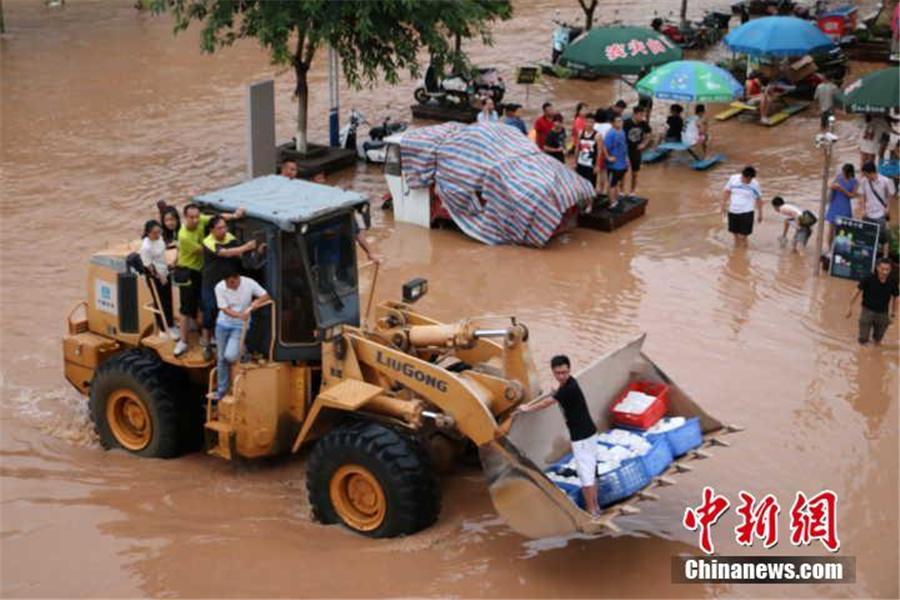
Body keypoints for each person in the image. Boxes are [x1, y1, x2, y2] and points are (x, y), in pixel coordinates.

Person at [518, 355, 600, 516]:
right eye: (558, 373)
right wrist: (556, 391)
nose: (561, 376)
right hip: (590, 432)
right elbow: (558, 395)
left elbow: (547, 403)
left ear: (570, 370)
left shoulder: (569, 388)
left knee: (585, 476)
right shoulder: (570, 384)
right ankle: (596, 507)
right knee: (592, 470)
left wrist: (527, 408)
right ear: (553, 373)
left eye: (564, 372)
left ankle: (591, 511)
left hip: (582, 437)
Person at [173, 203, 243, 357]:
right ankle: (183, 341)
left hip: (203, 271)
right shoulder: (183, 235)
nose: (196, 220)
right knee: (186, 308)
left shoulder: (202, 220)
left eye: (197, 216)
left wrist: (235, 216)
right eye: (191, 217)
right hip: (189, 271)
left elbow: (216, 218)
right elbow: (204, 249)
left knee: (206, 306)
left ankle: (207, 339)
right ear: (185, 218)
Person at [200, 214, 262, 361]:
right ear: (212, 230)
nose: (224, 230)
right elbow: (226, 253)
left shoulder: (230, 237)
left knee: (235, 312)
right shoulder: (208, 242)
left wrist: (256, 252)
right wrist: (246, 246)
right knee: (209, 314)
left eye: (225, 227)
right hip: (212, 284)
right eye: (220, 228)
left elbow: (240, 255)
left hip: (231, 284)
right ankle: (207, 345)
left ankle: (237, 346)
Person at [213, 270, 271, 400]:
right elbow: (224, 309)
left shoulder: (249, 283)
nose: (229, 286)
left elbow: (266, 295)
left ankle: (243, 352)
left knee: (230, 356)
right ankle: (222, 390)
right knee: (221, 357)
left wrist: (257, 302)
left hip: (239, 327)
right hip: (222, 325)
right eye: (227, 283)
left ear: (238, 277)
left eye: (232, 282)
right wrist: (241, 315)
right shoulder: (219, 286)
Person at [846, 258, 898, 345]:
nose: (885, 272)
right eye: (882, 269)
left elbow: (896, 297)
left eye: (887, 269)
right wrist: (849, 306)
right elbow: (856, 291)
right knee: (863, 340)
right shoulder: (868, 278)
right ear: (877, 268)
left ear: (890, 269)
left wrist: (893, 314)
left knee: (877, 341)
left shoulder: (893, 281)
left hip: (883, 314)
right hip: (867, 311)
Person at [139, 220, 177, 337]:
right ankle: (163, 329)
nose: (157, 235)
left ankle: (170, 324)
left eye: (159, 232)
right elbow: (149, 266)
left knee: (168, 299)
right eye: (154, 233)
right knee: (160, 301)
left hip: (164, 271)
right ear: (148, 233)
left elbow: (162, 252)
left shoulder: (159, 238)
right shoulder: (146, 247)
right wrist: (160, 277)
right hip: (155, 277)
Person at [857, 161, 896, 257]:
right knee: (867, 235)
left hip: (880, 213)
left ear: (870, 172)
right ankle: (868, 257)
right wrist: (862, 209)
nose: (864, 176)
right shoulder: (864, 181)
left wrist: (888, 207)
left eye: (865, 174)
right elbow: (861, 194)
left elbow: (891, 194)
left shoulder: (885, 181)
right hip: (868, 213)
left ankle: (885, 257)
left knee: (883, 237)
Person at [722, 166, 763, 247]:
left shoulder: (754, 184)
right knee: (735, 233)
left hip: (747, 211)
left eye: (750, 179)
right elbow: (727, 191)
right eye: (747, 179)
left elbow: (759, 199)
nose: (749, 181)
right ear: (742, 176)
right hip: (733, 210)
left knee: (743, 236)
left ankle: (744, 251)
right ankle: (738, 253)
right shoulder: (733, 179)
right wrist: (723, 205)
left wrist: (760, 214)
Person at [825, 163, 858, 251]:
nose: (843, 174)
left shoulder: (854, 181)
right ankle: (829, 249)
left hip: (845, 207)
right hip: (834, 205)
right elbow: (829, 185)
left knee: (844, 230)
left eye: (845, 173)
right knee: (831, 229)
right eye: (843, 172)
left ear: (850, 173)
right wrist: (833, 186)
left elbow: (852, 195)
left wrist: (843, 190)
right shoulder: (838, 177)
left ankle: (841, 249)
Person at [623, 105, 651, 199]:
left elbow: (648, 134)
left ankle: (632, 192)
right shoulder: (626, 123)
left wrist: (644, 144)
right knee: (623, 172)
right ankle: (621, 191)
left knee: (635, 173)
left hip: (636, 151)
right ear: (634, 114)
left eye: (643, 115)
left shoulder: (643, 124)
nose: (642, 117)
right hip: (625, 150)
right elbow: (621, 137)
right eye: (640, 115)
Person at [604, 115, 629, 209]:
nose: (620, 123)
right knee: (612, 183)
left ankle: (615, 199)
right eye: (617, 121)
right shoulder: (611, 133)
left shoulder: (622, 131)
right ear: (613, 123)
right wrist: (608, 157)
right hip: (613, 164)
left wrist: (626, 158)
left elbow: (624, 145)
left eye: (621, 121)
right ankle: (612, 202)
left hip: (621, 162)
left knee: (617, 182)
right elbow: (604, 147)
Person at [574, 111, 600, 190]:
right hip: (581, 163)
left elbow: (599, 151)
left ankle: (590, 202)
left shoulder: (597, 136)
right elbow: (577, 148)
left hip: (590, 165)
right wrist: (575, 162)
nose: (589, 124)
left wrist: (597, 165)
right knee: (580, 184)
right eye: (587, 122)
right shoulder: (580, 133)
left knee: (591, 185)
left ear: (594, 123)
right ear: (584, 122)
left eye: (591, 122)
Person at [593, 110, 613, 196]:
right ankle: (603, 190)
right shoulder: (609, 126)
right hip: (605, 150)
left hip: (595, 150)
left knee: (596, 171)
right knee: (603, 172)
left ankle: (595, 189)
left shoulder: (594, 125)